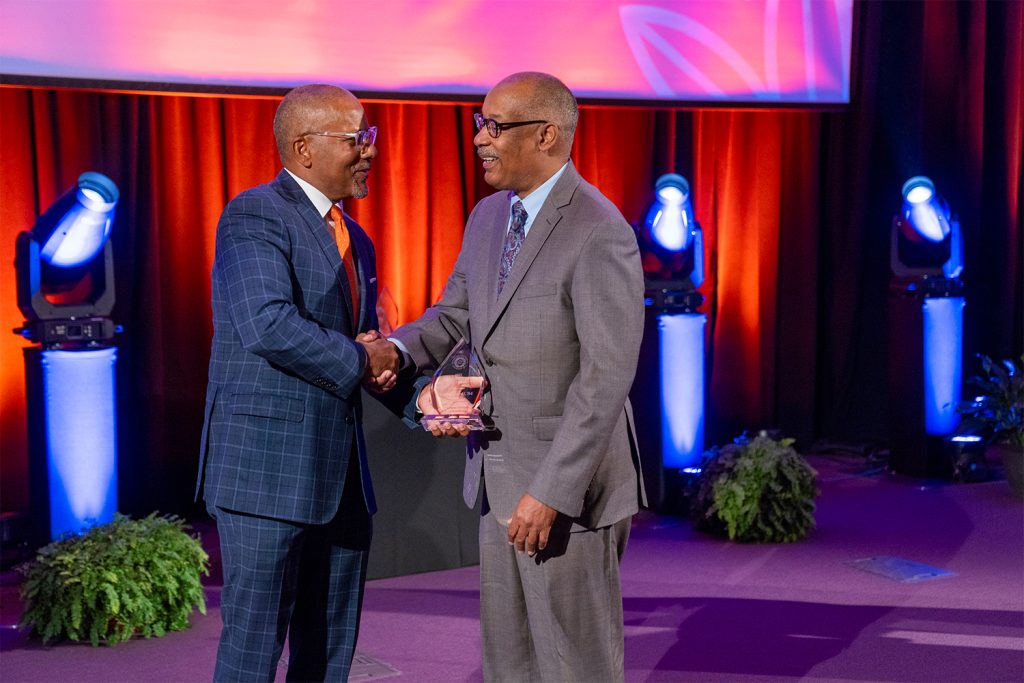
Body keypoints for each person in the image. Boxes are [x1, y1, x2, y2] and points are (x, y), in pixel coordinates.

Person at [391, 72, 646, 683]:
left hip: (565, 493)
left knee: (574, 666)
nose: (479, 138)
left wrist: (553, 491)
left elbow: (605, 376)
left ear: (548, 134)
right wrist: (394, 351)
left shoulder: (599, 229)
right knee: (511, 663)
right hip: (497, 480)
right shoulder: (487, 216)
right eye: (480, 124)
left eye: (494, 126)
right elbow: (454, 315)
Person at [196, 83, 399, 682]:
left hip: (339, 479)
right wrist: (364, 359)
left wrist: (422, 395)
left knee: (330, 651)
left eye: (371, 136)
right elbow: (266, 324)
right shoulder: (255, 213)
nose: (370, 150)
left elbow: (366, 346)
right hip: (265, 474)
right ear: (305, 148)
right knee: (253, 648)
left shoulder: (355, 238)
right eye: (356, 138)